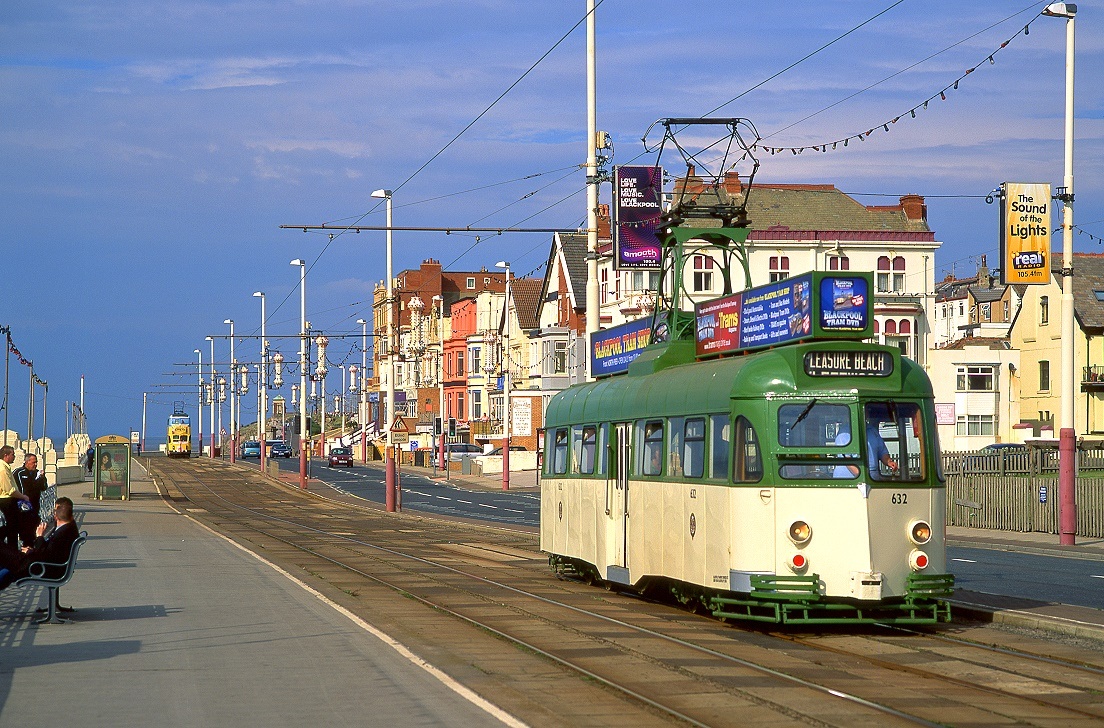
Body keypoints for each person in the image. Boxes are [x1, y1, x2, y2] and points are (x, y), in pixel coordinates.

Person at [0, 496, 79, 590]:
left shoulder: (63, 533)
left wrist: (40, 536)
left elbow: (47, 555)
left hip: (40, 567)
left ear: (55, 516)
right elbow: (50, 552)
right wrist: (32, 551)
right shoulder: (69, 529)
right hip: (41, 564)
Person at [0, 445, 33, 547]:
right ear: (6, 455)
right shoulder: (2, 469)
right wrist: (23, 497)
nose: (14, 457)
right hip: (6, 501)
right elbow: (10, 490)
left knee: (13, 527)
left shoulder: (5, 467)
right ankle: (12, 552)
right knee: (12, 529)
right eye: (12, 455)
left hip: (8, 501)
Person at [13, 453, 48, 546]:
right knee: (25, 535)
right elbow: (25, 490)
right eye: (33, 462)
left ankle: (32, 550)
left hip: (35, 508)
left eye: (36, 462)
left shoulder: (37, 473)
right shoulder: (19, 473)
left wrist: (42, 478)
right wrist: (35, 482)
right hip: (23, 509)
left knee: (33, 534)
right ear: (27, 462)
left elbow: (44, 488)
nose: (35, 464)